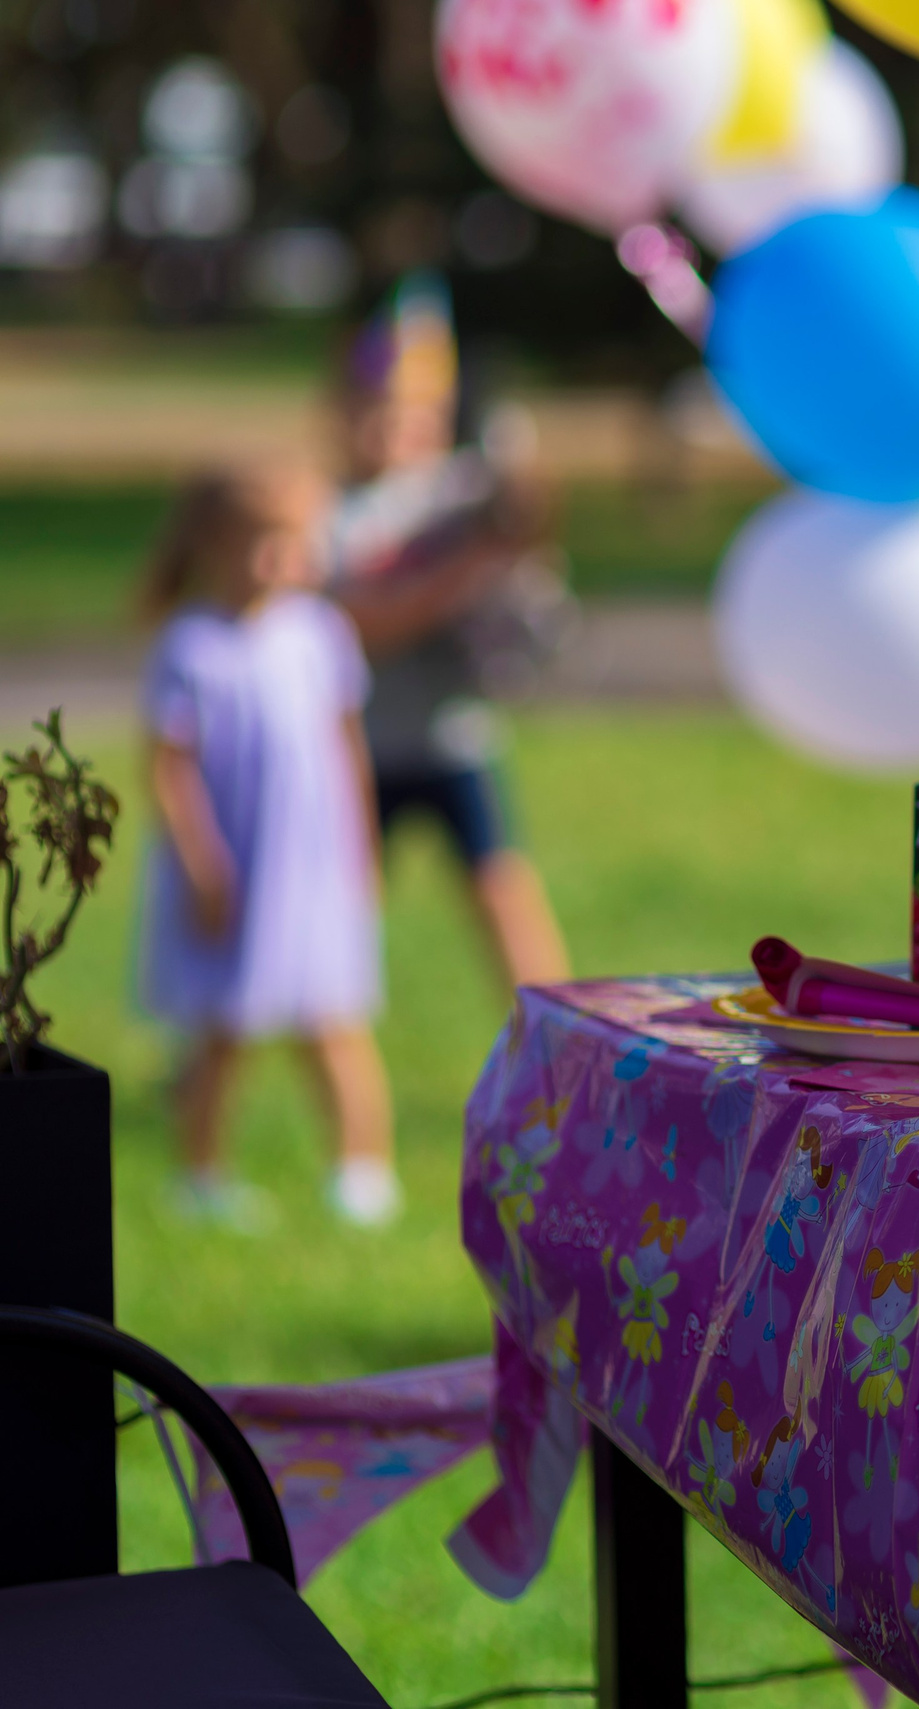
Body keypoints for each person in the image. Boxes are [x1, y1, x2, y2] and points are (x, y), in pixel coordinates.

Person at [139, 462, 399, 1228]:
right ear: (214, 545)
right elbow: (167, 766)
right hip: (239, 872)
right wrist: (200, 862)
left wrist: (362, 847)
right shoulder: (190, 646)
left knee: (335, 1019)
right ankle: (201, 1174)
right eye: (263, 544)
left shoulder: (321, 632)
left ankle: (361, 1170)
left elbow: (345, 746)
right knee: (225, 1030)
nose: (283, 561)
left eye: (297, 542)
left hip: (312, 867)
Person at [326, 275, 571, 992]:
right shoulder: (330, 514)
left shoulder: (459, 489)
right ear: (341, 414)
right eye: (380, 413)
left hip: (455, 739)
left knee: (505, 900)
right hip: (364, 746)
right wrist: (461, 574)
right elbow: (357, 625)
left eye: (416, 414)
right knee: (336, 912)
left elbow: (522, 508)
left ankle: (558, 1044)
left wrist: (520, 482)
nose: (399, 431)